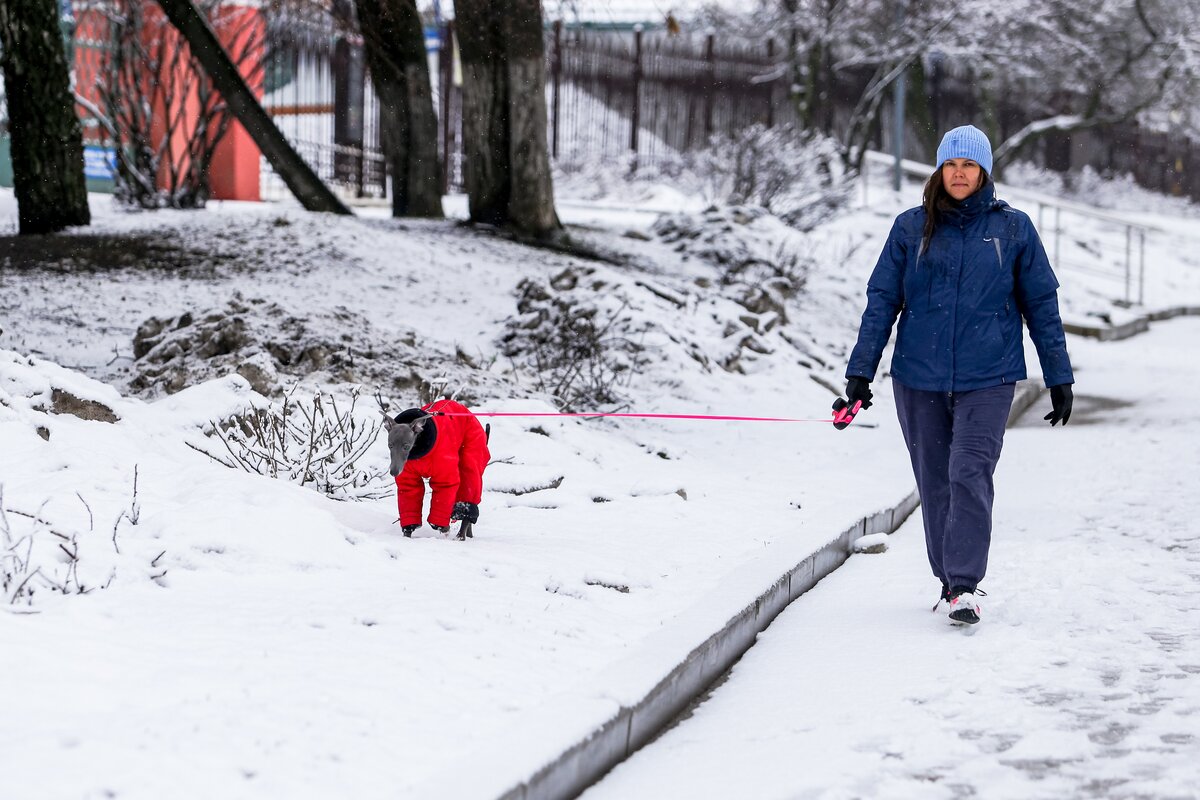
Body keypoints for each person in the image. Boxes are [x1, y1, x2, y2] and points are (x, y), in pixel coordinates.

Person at [843, 124, 1074, 625]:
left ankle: (964, 583)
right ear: (939, 170)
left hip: (988, 377)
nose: (960, 173)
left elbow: (1041, 304)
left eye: (969, 165)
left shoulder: (1014, 229)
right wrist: (861, 372)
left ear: (985, 171)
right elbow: (882, 301)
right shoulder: (910, 228)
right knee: (935, 480)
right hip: (917, 376)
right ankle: (949, 581)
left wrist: (1059, 375)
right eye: (951, 164)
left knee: (969, 471)